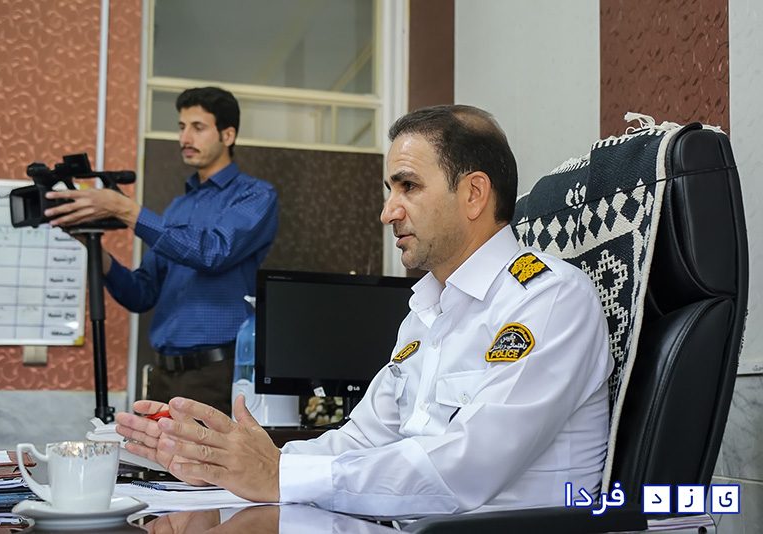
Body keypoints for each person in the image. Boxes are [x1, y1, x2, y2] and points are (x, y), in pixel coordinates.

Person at [115, 104, 613, 518]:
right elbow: (360, 439)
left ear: (474, 194)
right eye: (389, 190)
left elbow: (468, 467)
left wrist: (280, 474)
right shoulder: (425, 312)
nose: (387, 212)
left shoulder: (547, 299)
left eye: (408, 186)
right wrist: (228, 460)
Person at [44, 87, 279, 416]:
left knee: (203, 454)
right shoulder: (177, 207)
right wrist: (91, 244)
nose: (185, 137)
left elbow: (214, 252)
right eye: (181, 127)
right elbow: (141, 293)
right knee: (151, 453)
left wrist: (126, 210)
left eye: (198, 127)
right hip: (163, 377)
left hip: (215, 374)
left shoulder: (255, 196)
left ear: (228, 135)